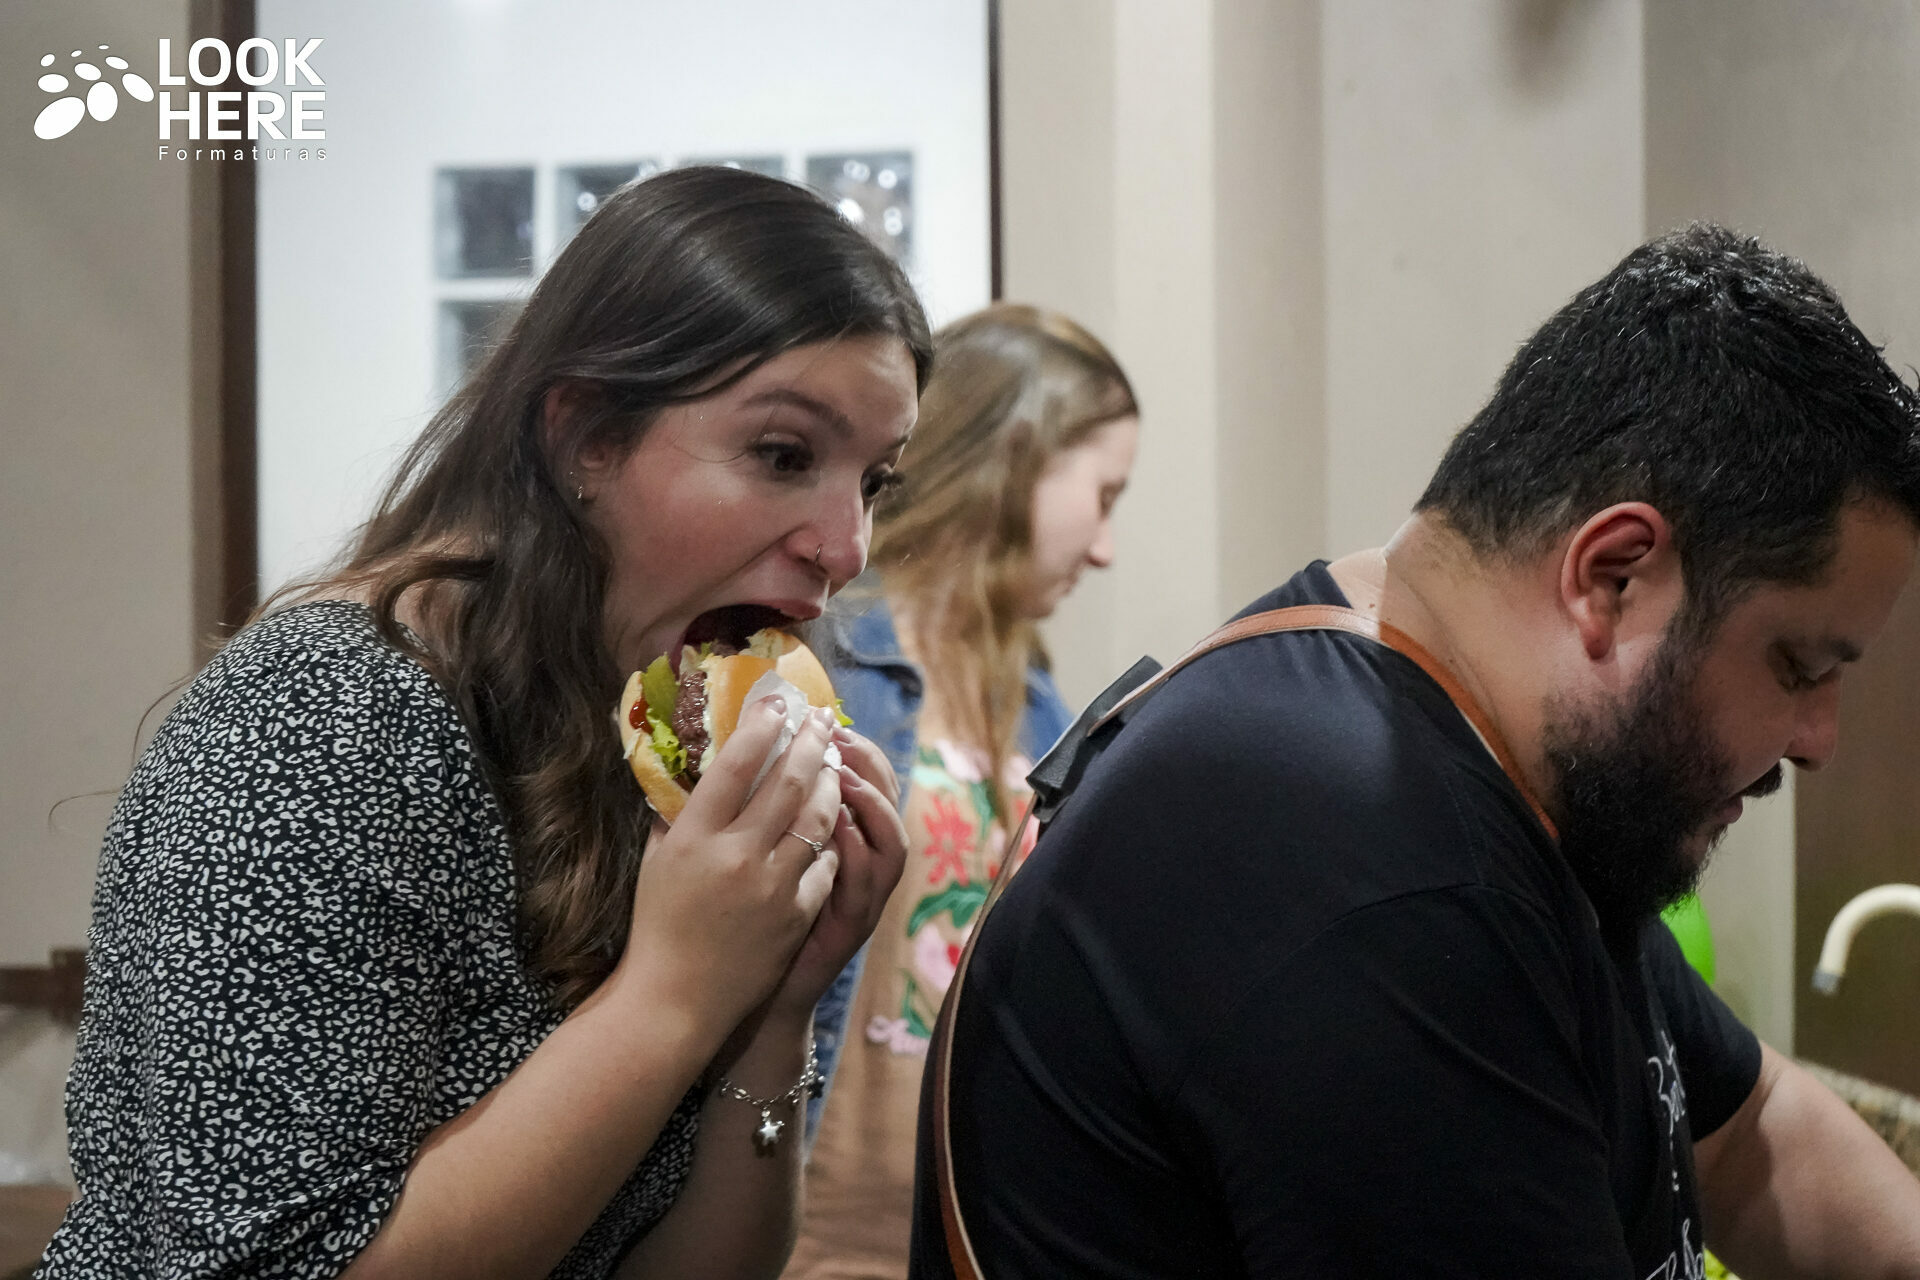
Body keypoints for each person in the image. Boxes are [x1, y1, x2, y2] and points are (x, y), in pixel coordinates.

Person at [912, 225, 1920, 1278]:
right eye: (1798, 665)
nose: (1819, 740)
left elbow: (1749, 1128)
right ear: (1614, 575)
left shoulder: (1496, 762)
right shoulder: (1378, 868)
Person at [41, 166, 928, 1280]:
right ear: (584, 434)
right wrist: (674, 991)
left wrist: (777, 1002)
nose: (845, 548)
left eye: (875, 481)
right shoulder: (328, 713)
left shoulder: (644, 736)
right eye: (784, 455)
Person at [789, 304, 1139, 1278]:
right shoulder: (825, 659)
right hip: (794, 1244)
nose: (1105, 547)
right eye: (1104, 494)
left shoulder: (1041, 711)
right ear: (1018, 456)